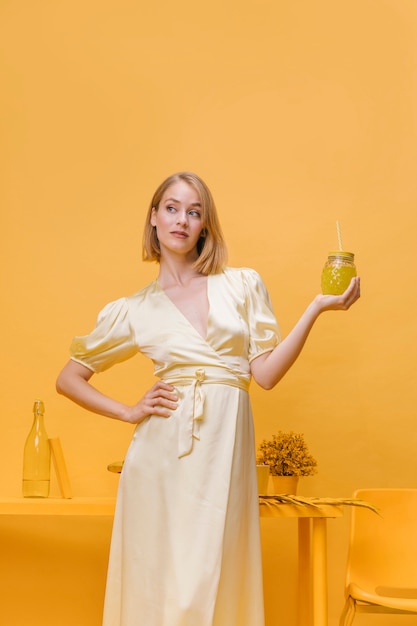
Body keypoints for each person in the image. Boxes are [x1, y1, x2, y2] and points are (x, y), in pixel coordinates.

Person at [56, 171, 360, 626]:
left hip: (224, 451)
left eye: (194, 212)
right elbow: (69, 378)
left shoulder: (240, 284)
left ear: (204, 225)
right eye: (172, 208)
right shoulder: (135, 308)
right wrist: (129, 411)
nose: (182, 219)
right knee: (165, 582)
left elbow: (267, 374)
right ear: (154, 218)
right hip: (161, 459)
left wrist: (317, 307)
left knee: (215, 574)